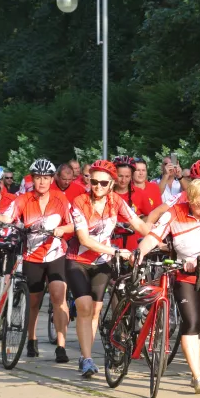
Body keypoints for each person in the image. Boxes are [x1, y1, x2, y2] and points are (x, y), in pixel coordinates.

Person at [137, 178, 200, 393]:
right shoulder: (174, 213)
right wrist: (139, 253)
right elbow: (153, 237)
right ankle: (197, 375)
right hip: (182, 275)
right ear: (190, 200)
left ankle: (197, 370)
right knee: (191, 321)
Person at [66, 160, 150, 378]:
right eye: (94, 181)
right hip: (78, 260)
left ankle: (87, 355)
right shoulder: (79, 202)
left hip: (102, 263)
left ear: (112, 184)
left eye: (104, 183)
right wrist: (115, 252)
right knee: (84, 306)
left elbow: (140, 225)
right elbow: (84, 239)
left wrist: (160, 240)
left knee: (95, 310)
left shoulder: (117, 201)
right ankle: (87, 358)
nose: (98, 187)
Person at [0, 159, 74, 362]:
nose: (41, 182)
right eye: (38, 178)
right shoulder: (23, 199)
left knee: (58, 296)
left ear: (52, 179)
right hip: (32, 256)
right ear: (32, 179)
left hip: (55, 254)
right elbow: (9, 217)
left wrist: (62, 229)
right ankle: (31, 339)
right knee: (33, 302)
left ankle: (61, 346)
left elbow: (72, 225)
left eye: (45, 178)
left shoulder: (61, 199)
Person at [111, 156, 153, 250]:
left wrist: (138, 222)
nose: (123, 180)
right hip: (110, 243)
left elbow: (151, 216)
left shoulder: (140, 193)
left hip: (133, 244)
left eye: (127, 176)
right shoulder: (107, 193)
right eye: (120, 176)